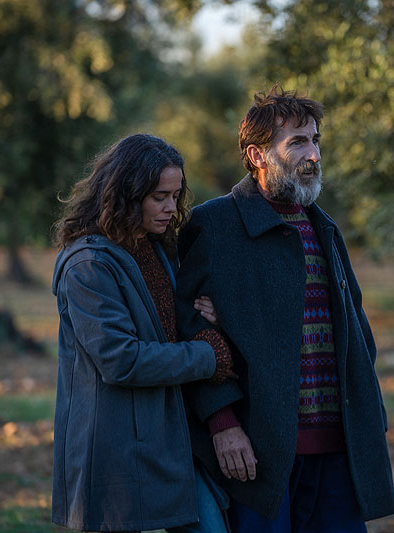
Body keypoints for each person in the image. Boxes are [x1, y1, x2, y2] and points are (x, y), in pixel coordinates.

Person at [175, 86, 394, 532]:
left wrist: (371, 414)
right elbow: (188, 327)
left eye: (315, 140)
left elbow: (355, 328)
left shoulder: (324, 227)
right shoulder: (214, 224)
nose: (312, 153)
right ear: (257, 155)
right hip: (260, 450)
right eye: (297, 141)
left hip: (339, 446)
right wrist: (222, 422)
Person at [50, 133, 234, 532]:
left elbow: (171, 328)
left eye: (176, 195)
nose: (171, 208)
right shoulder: (88, 264)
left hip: (172, 436)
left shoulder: (156, 247)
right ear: (125, 195)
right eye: (159, 197)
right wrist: (209, 355)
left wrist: (215, 319)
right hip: (113, 447)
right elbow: (121, 360)